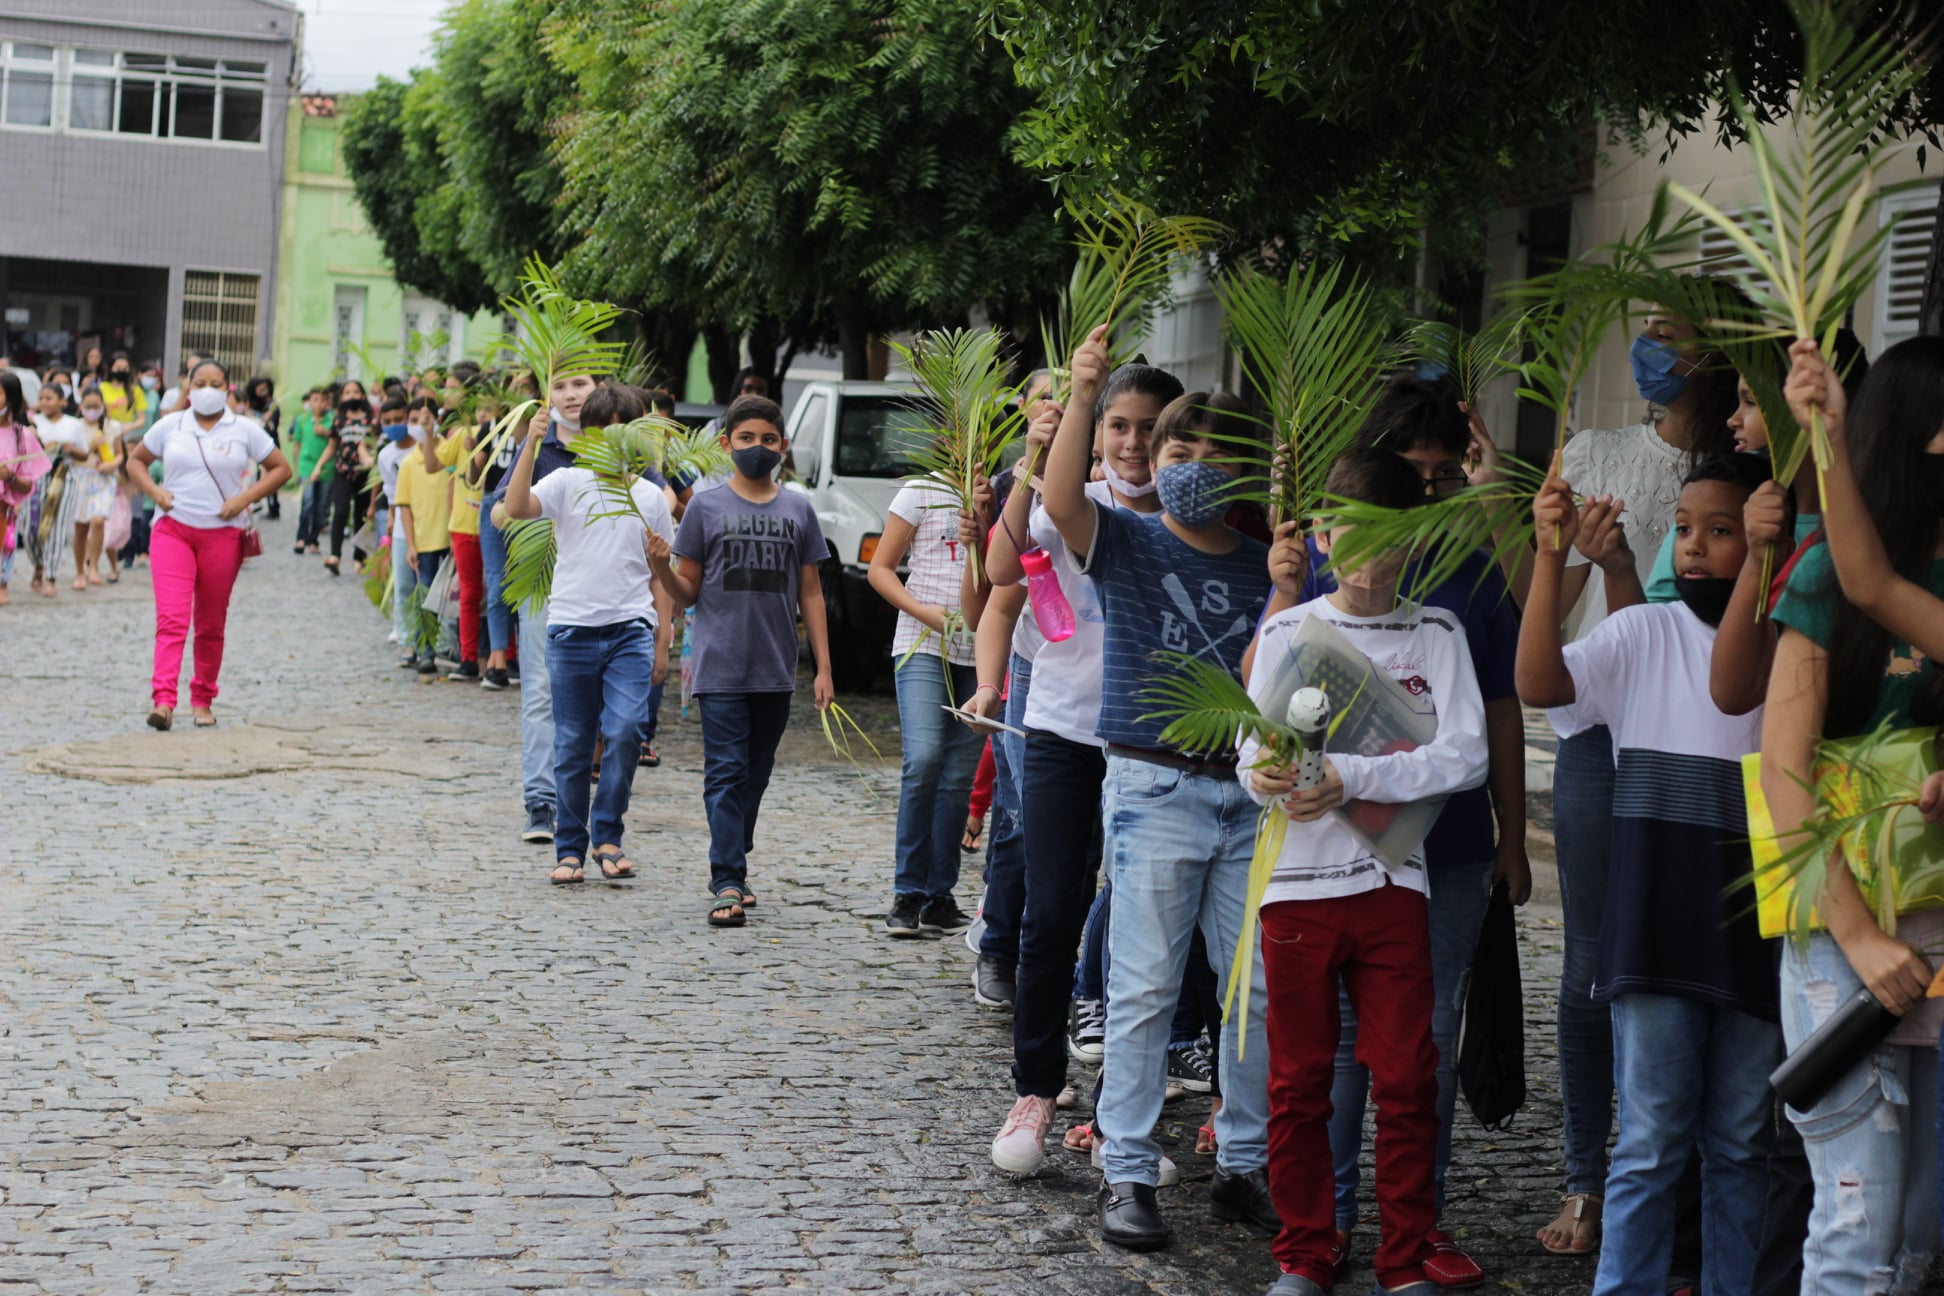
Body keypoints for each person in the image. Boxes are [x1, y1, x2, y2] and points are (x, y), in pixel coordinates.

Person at [1041, 325, 1278, 1253]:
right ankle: (1127, 1171)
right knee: (1140, 988)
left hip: (1248, 794)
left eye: (1216, 453)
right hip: (1153, 787)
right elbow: (1061, 501)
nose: (1192, 465)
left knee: (1249, 991)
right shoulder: (1129, 541)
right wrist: (1085, 389)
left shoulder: (1271, 567)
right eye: (1180, 449)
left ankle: (1243, 1166)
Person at [1520, 453, 1777, 1296]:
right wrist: (1552, 554)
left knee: (1741, 1141)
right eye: (1684, 529)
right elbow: (1539, 680)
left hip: (1760, 930)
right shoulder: (1644, 632)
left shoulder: (1797, 648)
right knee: (1653, 1138)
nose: (1694, 547)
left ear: (1769, 539)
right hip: (1657, 923)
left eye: (1721, 531)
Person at [1240, 447, 1488, 1295]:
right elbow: (1248, 754)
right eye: (1353, 531)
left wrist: (1358, 776)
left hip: (1392, 884)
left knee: (1408, 1075)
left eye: (1393, 536)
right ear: (1321, 534)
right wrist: (1266, 776)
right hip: (1298, 892)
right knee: (1299, 1081)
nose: (1372, 554)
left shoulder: (1438, 632)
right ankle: (1305, 1253)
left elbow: (1467, 756)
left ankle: (1404, 1257)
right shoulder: (1285, 630)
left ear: (1415, 538)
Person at [1299, 377, 1528, 1286]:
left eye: (1443, 477)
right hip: (1340, 848)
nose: (1426, 495)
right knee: (1346, 1042)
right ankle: (1333, 1221)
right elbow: (1269, 708)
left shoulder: (1471, 573)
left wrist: (1512, 832)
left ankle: (1415, 1223)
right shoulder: (1326, 565)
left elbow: (1503, 710)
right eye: (1412, 472)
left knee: (1422, 1043)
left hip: (1455, 841)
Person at [1531, 306, 1741, 1257]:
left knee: (1704, 966)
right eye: (1645, 328)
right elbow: (1600, 635)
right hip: (1601, 732)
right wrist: (1569, 548)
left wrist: (1623, 569)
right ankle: (1588, 1178)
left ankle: (1684, 1202)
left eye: (1678, 331)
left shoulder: (1748, 455)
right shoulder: (1594, 449)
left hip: (1711, 742)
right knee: (1593, 964)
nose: (1657, 350)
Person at [1768, 336, 1944, 1289]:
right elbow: (1782, 773)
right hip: (1848, 945)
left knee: (1920, 1247)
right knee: (1857, 1242)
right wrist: (1859, 934)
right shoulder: (1829, 576)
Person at [973, 366, 1175, 1169]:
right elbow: (998, 572)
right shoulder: (1072, 509)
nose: (1133, 443)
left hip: (1151, 743)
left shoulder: (1192, 524)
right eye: (1118, 426)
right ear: (1096, 435)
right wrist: (1036, 452)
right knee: (1051, 913)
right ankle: (1036, 1090)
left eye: (1149, 429)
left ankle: (1122, 1112)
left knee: (1145, 931)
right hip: (1058, 731)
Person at [648, 393, 834, 926]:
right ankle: (727, 877)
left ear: (784, 447)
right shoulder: (704, 508)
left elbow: (812, 593)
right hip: (718, 664)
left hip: (775, 668)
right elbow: (685, 591)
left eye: (768, 439)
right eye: (747, 438)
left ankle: (735, 845)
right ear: (726, 444)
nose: (758, 448)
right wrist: (661, 568)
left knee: (756, 773)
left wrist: (823, 666)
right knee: (726, 772)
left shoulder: (798, 508)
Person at [503, 385, 675, 886]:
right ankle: (570, 848)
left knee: (625, 732)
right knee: (575, 743)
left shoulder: (650, 498)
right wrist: (529, 444)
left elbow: (659, 575)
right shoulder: (566, 482)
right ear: (588, 437)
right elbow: (515, 508)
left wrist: (663, 636)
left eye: (628, 432)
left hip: (630, 631)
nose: (616, 444)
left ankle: (609, 835)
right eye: (605, 433)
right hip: (572, 631)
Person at [127, 359, 292, 729]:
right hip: (173, 530)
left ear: (228, 388)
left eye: (215, 383)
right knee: (172, 619)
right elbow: (135, 462)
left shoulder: (244, 429)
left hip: (223, 534)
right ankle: (163, 701)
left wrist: (244, 499)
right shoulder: (171, 425)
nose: (206, 389)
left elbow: (281, 468)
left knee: (210, 622)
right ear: (187, 386)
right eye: (199, 382)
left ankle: (202, 698)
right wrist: (156, 492)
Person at [871, 447, 986, 940]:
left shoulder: (1000, 492)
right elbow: (881, 569)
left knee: (959, 775)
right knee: (923, 759)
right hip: (921, 643)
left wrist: (985, 515)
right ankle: (907, 891)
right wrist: (929, 615)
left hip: (982, 651)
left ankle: (940, 896)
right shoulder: (920, 489)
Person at [393, 397, 454, 677]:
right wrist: (411, 544)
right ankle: (426, 648)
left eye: (426, 419)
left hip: (451, 537)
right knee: (426, 595)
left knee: (454, 596)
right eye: (415, 421)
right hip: (424, 539)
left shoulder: (449, 454)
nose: (421, 425)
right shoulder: (408, 463)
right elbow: (403, 505)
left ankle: (452, 647)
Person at [374, 398, 425, 666]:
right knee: (404, 585)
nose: (395, 425)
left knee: (426, 586)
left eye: (399, 419)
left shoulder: (425, 448)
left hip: (429, 526)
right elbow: (392, 491)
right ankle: (407, 640)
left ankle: (431, 641)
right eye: (388, 422)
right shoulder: (386, 455)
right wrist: (392, 517)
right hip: (403, 530)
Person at [29, 380, 87, 598]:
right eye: (41, 398)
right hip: (35, 478)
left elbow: (85, 454)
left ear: (62, 401)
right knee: (31, 528)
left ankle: (50, 577)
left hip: (63, 475)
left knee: (56, 527)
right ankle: (38, 565)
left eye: (49, 398)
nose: (44, 402)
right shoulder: (32, 422)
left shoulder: (73, 424)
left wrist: (69, 448)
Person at [0, 371, 51, 606]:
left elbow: (27, 483)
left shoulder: (23, 436)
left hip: (4, 508)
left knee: (5, 545)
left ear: (9, 398)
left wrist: (9, 476)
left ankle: (2, 585)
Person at [65, 386, 122, 591]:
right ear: (81, 406)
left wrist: (113, 465)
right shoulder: (74, 426)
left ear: (102, 406)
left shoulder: (113, 426)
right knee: (81, 527)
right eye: (87, 406)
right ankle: (80, 571)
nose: (91, 410)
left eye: (95, 406)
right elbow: (72, 453)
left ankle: (94, 567)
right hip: (81, 477)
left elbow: (120, 453)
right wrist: (91, 446)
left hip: (104, 478)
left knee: (98, 521)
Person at [324, 393, 374, 575]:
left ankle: (358, 558)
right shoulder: (339, 421)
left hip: (365, 473)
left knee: (362, 514)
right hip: (342, 471)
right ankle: (335, 556)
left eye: (355, 391)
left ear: (362, 394)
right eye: (347, 392)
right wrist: (319, 466)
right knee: (340, 511)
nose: (351, 395)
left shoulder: (371, 420)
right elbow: (332, 446)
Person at [292, 387, 335, 554]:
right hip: (306, 467)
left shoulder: (331, 420)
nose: (319, 404)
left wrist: (326, 432)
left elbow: (335, 441)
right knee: (307, 502)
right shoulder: (302, 420)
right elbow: (297, 445)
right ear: (309, 402)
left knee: (322, 505)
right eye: (315, 400)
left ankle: (314, 539)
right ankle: (301, 537)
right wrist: (296, 469)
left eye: (323, 400)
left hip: (326, 468)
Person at [242, 377, 281, 519]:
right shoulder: (250, 404)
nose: (263, 391)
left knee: (270, 475)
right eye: (260, 388)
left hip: (269, 444)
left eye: (265, 388)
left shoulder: (272, 405)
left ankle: (273, 506)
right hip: (252, 446)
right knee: (254, 475)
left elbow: (271, 425)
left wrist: (266, 419)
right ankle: (254, 502)